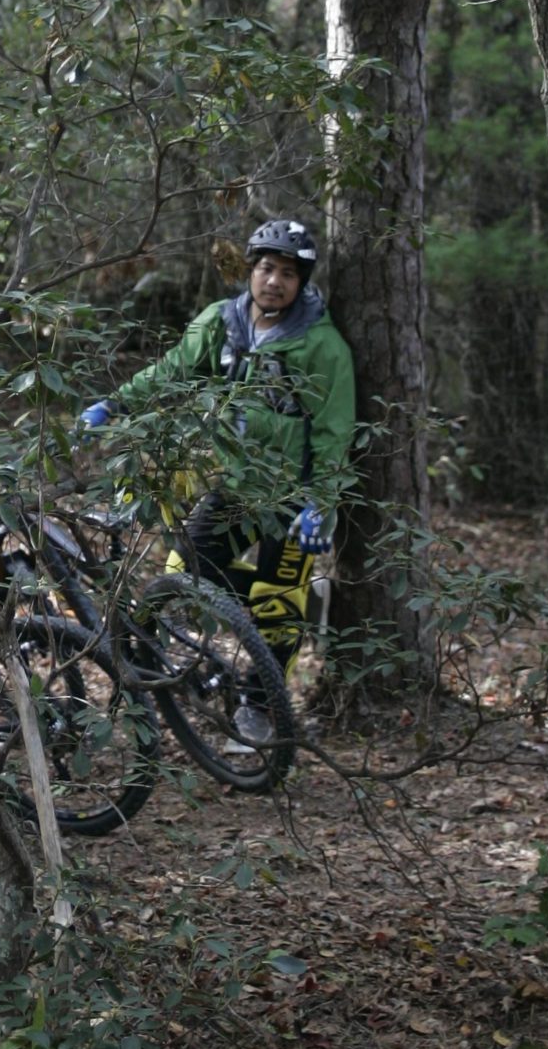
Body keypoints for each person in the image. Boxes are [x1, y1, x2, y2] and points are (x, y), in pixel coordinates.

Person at [86, 219, 356, 737]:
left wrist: (323, 502)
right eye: (266, 269)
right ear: (251, 271)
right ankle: (141, 674)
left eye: (287, 274)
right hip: (233, 486)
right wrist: (114, 404)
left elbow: (334, 432)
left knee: (280, 605)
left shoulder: (324, 348)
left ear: (301, 283)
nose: (274, 281)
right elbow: (171, 370)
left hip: (291, 496)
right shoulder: (221, 323)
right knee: (184, 573)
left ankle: (259, 706)